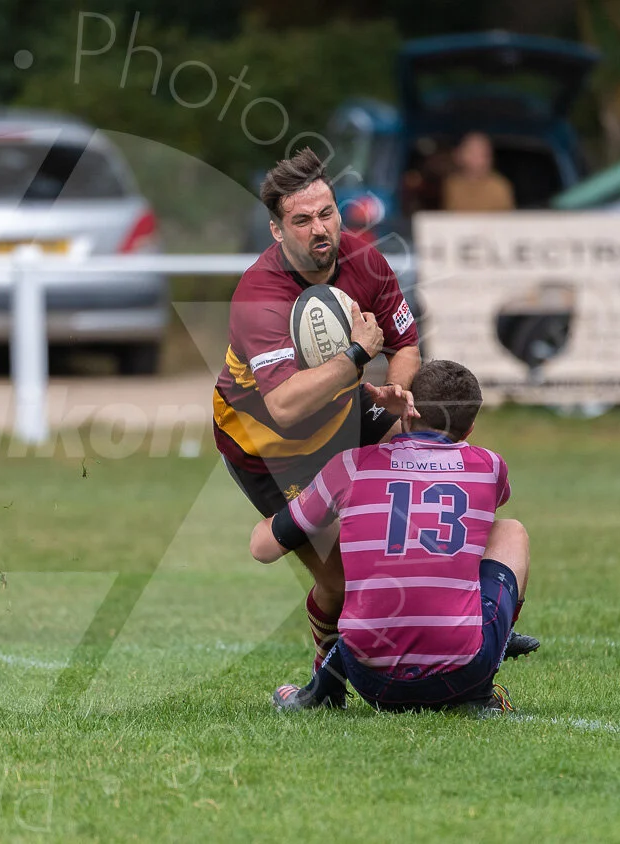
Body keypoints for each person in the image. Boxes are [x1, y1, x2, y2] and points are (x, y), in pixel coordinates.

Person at [213, 148, 535, 712]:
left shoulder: (363, 259)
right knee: (338, 582)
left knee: (431, 463)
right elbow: (286, 408)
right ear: (276, 228)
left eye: (328, 213)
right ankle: (325, 681)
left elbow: (405, 343)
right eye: (303, 220)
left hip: (346, 409)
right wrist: (359, 357)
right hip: (268, 445)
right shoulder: (259, 295)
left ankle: (474, 619)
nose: (321, 229)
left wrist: (401, 394)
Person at [250, 360, 530, 714]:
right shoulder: (490, 466)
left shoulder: (349, 465)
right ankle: (485, 681)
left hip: (371, 679)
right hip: (462, 674)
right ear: (471, 427)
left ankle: (321, 684)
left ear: (407, 412)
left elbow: (262, 549)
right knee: (509, 531)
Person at [441, 132, 515, 212]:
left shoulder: (499, 186)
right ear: (459, 155)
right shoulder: (451, 184)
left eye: (482, 154)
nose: (476, 159)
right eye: (471, 152)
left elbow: (507, 220)